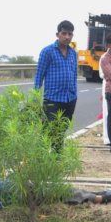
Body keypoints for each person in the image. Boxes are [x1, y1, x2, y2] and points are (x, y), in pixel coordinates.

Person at [34, 20, 78, 151]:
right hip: (52, 100)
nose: (67, 37)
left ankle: (56, 159)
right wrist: (36, 99)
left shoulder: (73, 53)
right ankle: (42, 159)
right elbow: (39, 77)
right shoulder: (47, 51)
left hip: (70, 99)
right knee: (49, 132)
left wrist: (74, 94)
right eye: (64, 33)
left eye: (70, 34)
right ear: (57, 34)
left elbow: (74, 74)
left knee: (61, 131)